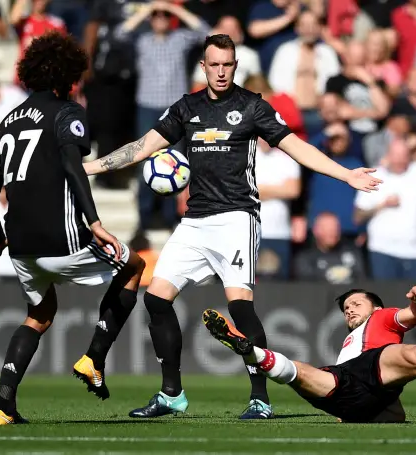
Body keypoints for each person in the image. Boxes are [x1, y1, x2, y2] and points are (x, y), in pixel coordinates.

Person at [83, 33, 381, 420]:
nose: (221, 72)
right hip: (195, 220)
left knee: (239, 307)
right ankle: (171, 393)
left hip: (237, 217)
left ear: (236, 66)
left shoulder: (252, 107)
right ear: (203, 67)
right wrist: (86, 168)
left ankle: (260, 398)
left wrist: (346, 175)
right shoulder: (186, 107)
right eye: (215, 65)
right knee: (156, 298)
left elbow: (296, 147)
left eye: (228, 64)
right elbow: (142, 147)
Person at [0, 32, 145, 425]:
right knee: (135, 266)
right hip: (64, 238)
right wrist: (94, 222)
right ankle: (94, 357)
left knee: (39, 313)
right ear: (67, 75)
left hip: (20, 244)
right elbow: (74, 169)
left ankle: (1, 406)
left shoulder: (7, 121)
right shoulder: (67, 113)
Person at [202, 284, 416, 426]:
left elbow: (414, 316)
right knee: (299, 372)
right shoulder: (349, 339)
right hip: (348, 390)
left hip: (372, 373)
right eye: (346, 308)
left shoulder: (382, 316)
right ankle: (248, 350)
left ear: (375, 306)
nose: (349, 311)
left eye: (355, 304)